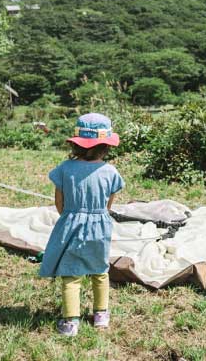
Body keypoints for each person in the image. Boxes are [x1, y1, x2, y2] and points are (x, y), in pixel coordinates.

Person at [39, 113, 125, 337]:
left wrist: (71, 215)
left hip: (71, 224)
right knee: (100, 272)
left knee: (71, 275)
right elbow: (108, 204)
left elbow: (60, 203)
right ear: (106, 146)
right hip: (100, 227)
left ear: (76, 144)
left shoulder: (65, 169)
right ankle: (101, 316)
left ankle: (70, 323)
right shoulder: (110, 172)